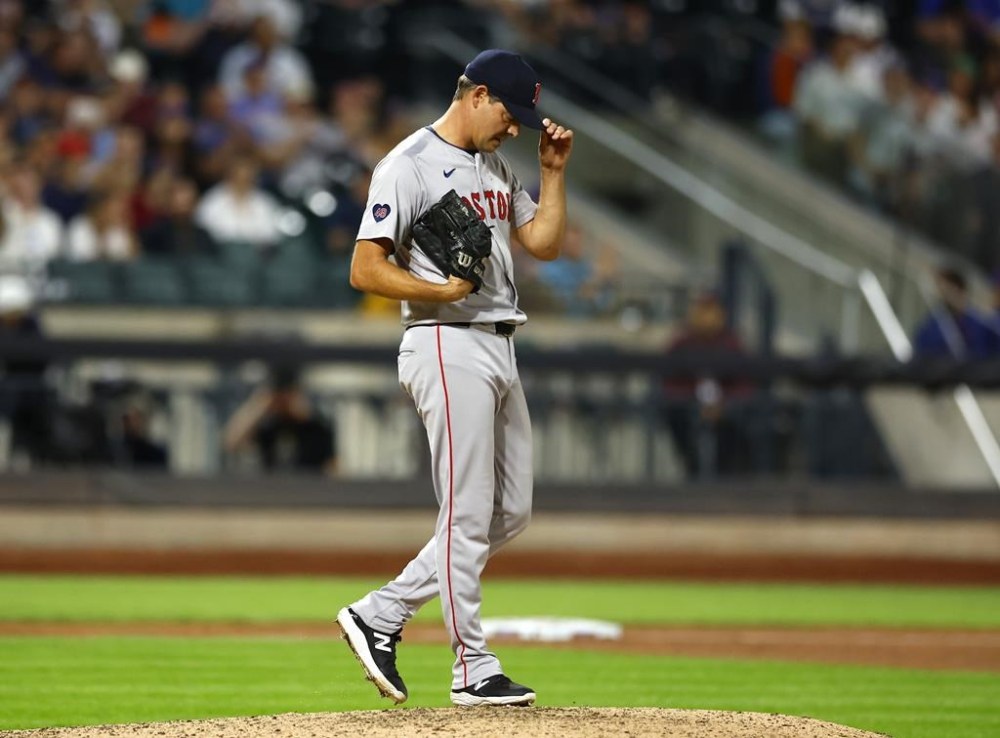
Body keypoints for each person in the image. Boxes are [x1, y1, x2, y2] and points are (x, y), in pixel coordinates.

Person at [338, 49, 573, 708]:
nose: (516, 128)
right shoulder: (407, 164)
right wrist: (436, 291)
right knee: (467, 515)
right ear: (474, 96)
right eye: (508, 111)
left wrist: (552, 176)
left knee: (508, 513)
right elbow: (364, 268)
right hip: (446, 341)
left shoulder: (495, 164)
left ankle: (381, 612)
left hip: (499, 343)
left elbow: (545, 243)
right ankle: (471, 664)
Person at [222, 366, 337, 475]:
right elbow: (232, 443)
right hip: (273, 491)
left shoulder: (317, 428)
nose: (283, 402)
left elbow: (333, 469)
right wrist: (259, 406)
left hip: (308, 491)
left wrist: (300, 411)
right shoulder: (268, 427)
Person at [912, 266, 994, 359]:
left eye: (947, 289)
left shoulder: (982, 323)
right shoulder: (931, 326)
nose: (942, 294)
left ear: (960, 290)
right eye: (939, 289)